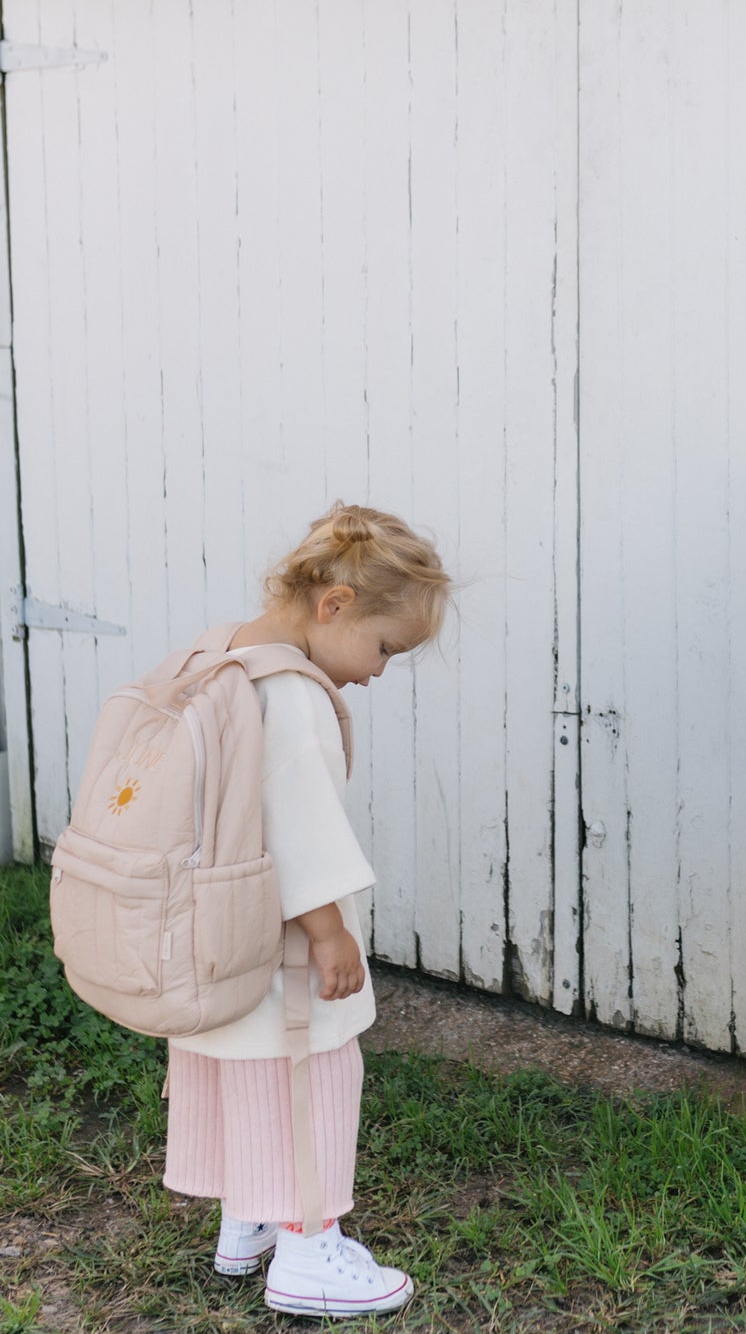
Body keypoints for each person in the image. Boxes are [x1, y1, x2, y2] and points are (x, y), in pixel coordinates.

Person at [162, 503, 451, 1317]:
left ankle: (246, 1221)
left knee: (241, 1070)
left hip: (218, 931)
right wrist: (330, 935)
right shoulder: (292, 693)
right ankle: (308, 1250)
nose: (380, 669)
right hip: (285, 943)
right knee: (311, 1074)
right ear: (335, 605)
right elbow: (301, 824)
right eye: (385, 646)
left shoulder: (220, 651)